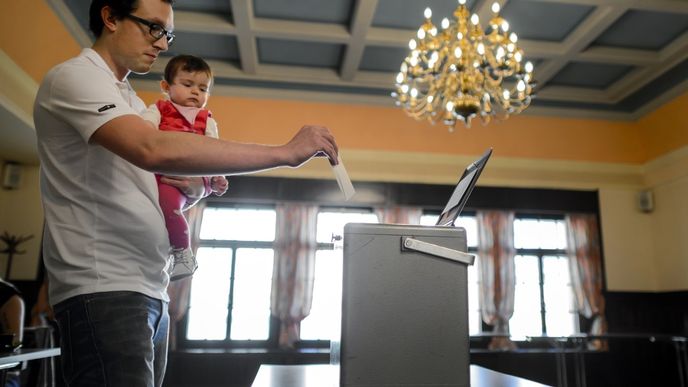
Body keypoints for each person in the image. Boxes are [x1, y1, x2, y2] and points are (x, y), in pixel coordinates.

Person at [32, 0, 339, 386]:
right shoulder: (75, 77)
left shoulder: (128, 99)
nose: (162, 44)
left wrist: (194, 191)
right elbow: (152, 149)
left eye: (168, 33)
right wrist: (283, 153)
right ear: (110, 17)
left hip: (149, 287)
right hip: (105, 287)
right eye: (153, 28)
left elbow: (145, 179)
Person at [141, 54, 229, 280]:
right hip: (163, 175)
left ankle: (183, 253)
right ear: (166, 86)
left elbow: (215, 150)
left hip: (190, 176)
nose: (195, 92)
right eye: (188, 85)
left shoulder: (206, 119)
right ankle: (171, 251)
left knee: (168, 205)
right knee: (162, 209)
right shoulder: (159, 109)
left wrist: (217, 177)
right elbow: (143, 132)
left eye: (203, 88)